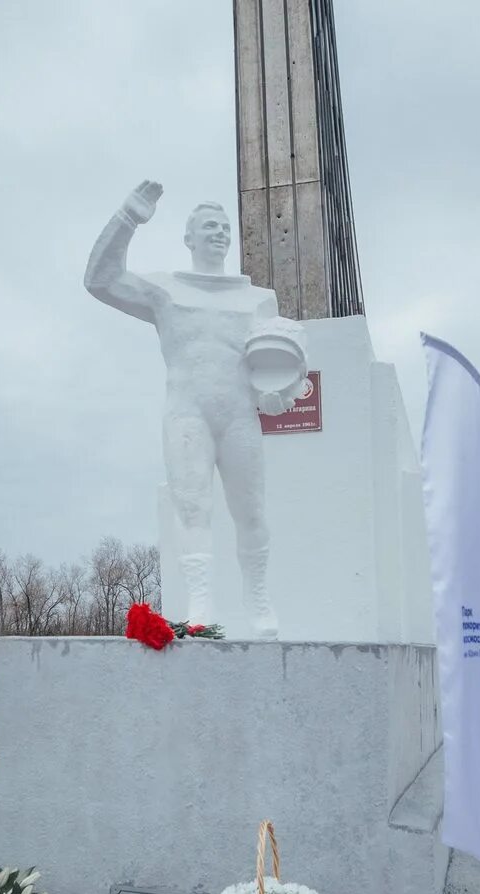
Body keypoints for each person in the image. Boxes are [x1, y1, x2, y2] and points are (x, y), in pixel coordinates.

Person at [84, 181, 306, 636]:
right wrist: (128, 218)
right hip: (188, 415)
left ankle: (259, 600)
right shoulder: (167, 291)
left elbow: (286, 367)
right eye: (209, 226)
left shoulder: (258, 299)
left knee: (251, 512)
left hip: (239, 417)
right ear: (189, 238)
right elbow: (100, 280)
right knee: (193, 509)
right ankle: (201, 604)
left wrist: (279, 396)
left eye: (225, 227)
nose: (220, 233)